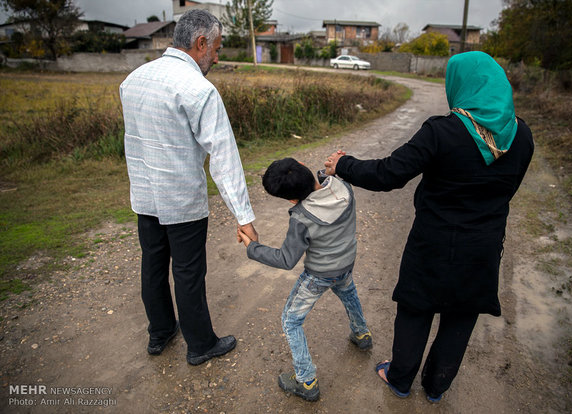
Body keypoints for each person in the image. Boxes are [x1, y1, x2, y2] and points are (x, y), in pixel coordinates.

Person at [324, 51, 534, 402]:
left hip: (433, 243)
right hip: (483, 247)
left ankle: (400, 378)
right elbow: (508, 190)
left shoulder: (443, 131)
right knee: (461, 315)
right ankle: (436, 387)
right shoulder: (522, 136)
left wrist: (343, 163)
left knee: (416, 308)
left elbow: (388, 174)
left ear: (460, 85)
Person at [119, 9, 257, 366]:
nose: (217, 56)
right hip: (181, 202)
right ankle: (200, 344)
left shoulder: (133, 80)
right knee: (188, 273)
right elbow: (224, 157)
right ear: (200, 43)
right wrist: (243, 215)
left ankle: (160, 332)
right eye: (217, 49)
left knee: (152, 265)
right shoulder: (199, 89)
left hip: (145, 197)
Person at [237, 158, 372, 402]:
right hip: (345, 264)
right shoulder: (343, 187)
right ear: (304, 166)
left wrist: (253, 247)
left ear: (290, 199)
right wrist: (328, 169)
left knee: (291, 320)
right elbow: (328, 177)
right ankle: (362, 334)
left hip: (319, 275)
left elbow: (286, 259)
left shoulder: (302, 217)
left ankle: (307, 380)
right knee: (348, 292)